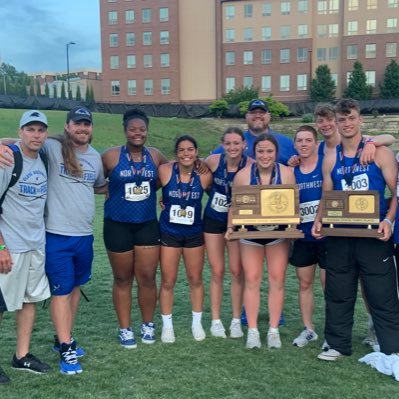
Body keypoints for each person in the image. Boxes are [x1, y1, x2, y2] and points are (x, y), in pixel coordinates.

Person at [312, 98, 399, 365]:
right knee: (338, 292)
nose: (347, 124)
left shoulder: (379, 152)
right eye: (342, 119)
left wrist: (389, 220)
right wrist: (318, 220)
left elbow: (396, 192)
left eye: (351, 118)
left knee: (382, 294)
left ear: (360, 119)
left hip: (373, 236)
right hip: (340, 235)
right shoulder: (330, 158)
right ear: (336, 123)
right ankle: (337, 344)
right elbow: (327, 195)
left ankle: (391, 348)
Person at [102, 108, 168, 348]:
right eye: (132, 129)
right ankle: (125, 328)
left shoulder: (156, 155)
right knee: (122, 278)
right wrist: (103, 189)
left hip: (146, 224)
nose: (137, 133)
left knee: (148, 277)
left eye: (141, 129)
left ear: (147, 130)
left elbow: (168, 177)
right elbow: (94, 180)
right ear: (125, 130)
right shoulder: (110, 156)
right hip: (117, 225)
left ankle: (148, 324)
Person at [226, 133, 295, 349]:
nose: (265, 155)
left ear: (276, 153)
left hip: (278, 235)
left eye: (269, 151)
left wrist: (293, 227)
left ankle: (273, 330)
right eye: (261, 151)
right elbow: (234, 206)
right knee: (252, 280)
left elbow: (293, 204)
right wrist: (230, 228)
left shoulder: (287, 173)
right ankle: (253, 330)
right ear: (253, 153)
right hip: (251, 235)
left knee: (277, 279)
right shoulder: (243, 176)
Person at [0, 110, 51, 384]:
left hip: (36, 245)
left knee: (30, 300)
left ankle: (22, 356)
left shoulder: (43, 157)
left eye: (40, 130)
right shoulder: (7, 159)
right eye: (30, 129)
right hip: (10, 246)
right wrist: (1, 249)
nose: (36, 135)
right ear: (20, 132)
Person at [159, 135, 212, 343]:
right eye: (181, 150)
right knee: (168, 280)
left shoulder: (204, 175)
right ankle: (167, 326)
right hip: (169, 232)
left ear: (196, 152)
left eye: (190, 149)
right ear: (176, 153)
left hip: (194, 234)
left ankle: (196, 323)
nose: (186, 154)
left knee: (195, 279)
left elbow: (218, 193)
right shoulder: (165, 171)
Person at [204, 127, 252, 339]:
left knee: (236, 271)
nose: (232, 147)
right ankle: (215, 320)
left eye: (236, 143)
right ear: (222, 145)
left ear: (244, 145)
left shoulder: (251, 165)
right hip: (213, 220)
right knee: (217, 271)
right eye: (228, 143)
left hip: (238, 222)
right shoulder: (213, 161)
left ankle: (234, 320)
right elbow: (197, 180)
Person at [290, 125, 325, 348]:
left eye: (308, 140)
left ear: (316, 143)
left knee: (329, 284)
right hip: (302, 237)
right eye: (300, 140)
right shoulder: (290, 170)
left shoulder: (326, 164)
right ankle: (308, 329)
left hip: (327, 235)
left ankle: (334, 329)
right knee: (305, 283)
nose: (304, 144)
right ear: (295, 145)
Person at [213, 99, 295, 165]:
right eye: (253, 112)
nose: (257, 115)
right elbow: (212, 159)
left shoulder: (286, 142)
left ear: (269, 116)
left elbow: (302, 163)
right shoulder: (236, 141)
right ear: (246, 116)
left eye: (262, 112)